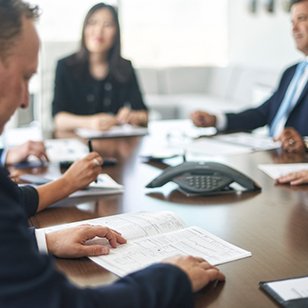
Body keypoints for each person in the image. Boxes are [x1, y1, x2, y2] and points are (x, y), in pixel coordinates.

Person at [0, 1, 225, 307]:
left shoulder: (124, 67)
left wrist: (44, 239)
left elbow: (9, 209)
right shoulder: (68, 65)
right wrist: (172, 277)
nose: (26, 101)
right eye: (25, 77)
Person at [191, 0, 308, 154]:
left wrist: (305, 143)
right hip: (270, 153)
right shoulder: (292, 71)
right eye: (292, 22)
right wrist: (215, 119)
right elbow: (262, 113)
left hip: (298, 161)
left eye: (302, 19)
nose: (294, 29)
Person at [52, 3, 148, 132]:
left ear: (116, 33)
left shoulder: (125, 68)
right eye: (92, 22)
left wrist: (132, 116)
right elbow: (58, 119)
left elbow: (144, 114)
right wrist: (90, 123)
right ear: (84, 28)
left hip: (115, 145)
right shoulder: (66, 66)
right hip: (76, 141)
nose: (98, 30)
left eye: (107, 25)